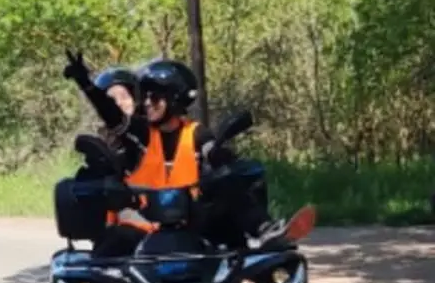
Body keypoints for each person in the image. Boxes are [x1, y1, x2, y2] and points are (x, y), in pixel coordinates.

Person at [63, 51, 310, 257]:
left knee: (229, 193)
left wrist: (225, 163)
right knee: (109, 246)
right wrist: (86, 84)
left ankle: (266, 232)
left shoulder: (197, 134)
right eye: (145, 97)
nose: (147, 103)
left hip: (192, 223)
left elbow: (213, 155)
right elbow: (113, 116)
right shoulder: (141, 133)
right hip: (145, 225)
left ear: (174, 99)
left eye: (155, 97)